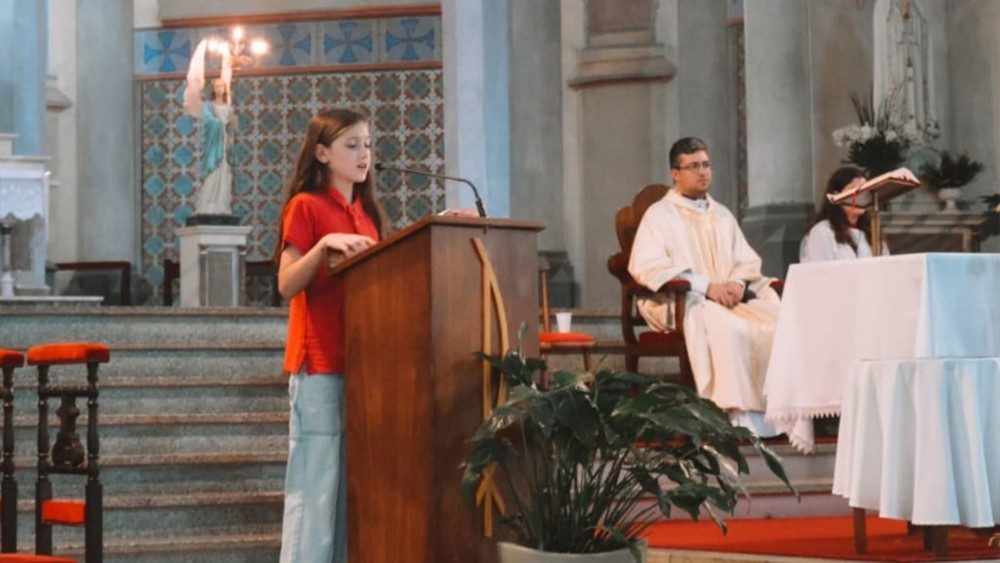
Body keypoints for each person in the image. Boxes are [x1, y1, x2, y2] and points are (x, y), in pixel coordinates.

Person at [275, 108, 387, 562]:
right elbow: (286, 284)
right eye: (352, 145)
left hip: (361, 367)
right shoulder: (307, 206)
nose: (364, 154)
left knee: (345, 499)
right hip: (319, 365)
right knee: (314, 493)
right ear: (322, 154)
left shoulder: (366, 213)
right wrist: (323, 246)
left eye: (368, 144)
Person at [628, 137, 780, 436]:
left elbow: (745, 260)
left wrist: (736, 283)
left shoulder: (722, 214)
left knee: (777, 321)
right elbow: (647, 266)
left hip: (729, 300)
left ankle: (778, 417)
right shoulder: (659, 215)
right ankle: (730, 417)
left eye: (707, 165)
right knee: (728, 328)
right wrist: (706, 287)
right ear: (675, 173)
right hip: (679, 300)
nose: (703, 172)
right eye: (694, 166)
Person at [184, 39, 237, 216]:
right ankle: (207, 205)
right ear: (213, 89)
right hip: (214, 146)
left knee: (224, 172)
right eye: (217, 86)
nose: (220, 88)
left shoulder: (228, 106)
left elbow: (233, 128)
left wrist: (232, 124)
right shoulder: (208, 105)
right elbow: (208, 122)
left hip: (225, 144)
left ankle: (222, 205)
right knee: (213, 172)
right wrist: (222, 124)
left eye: (222, 86)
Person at [800, 166, 880, 262]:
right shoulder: (822, 231)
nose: (861, 196)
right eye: (854, 190)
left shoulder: (871, 232)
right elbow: (820, 269)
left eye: (865, 191)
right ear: (836, 196)